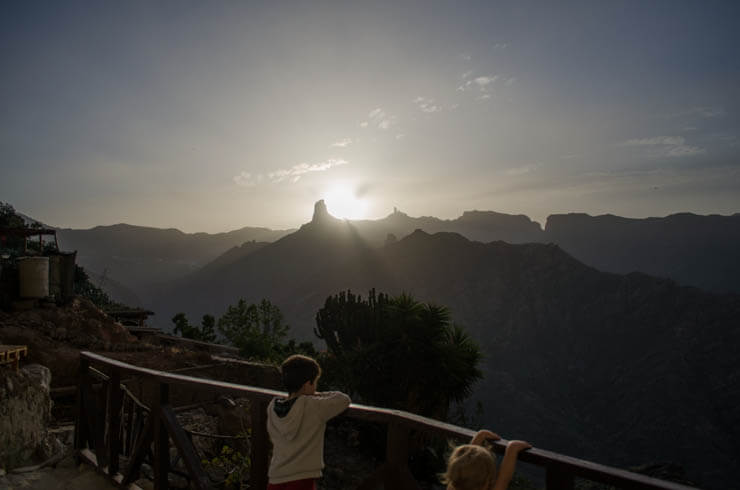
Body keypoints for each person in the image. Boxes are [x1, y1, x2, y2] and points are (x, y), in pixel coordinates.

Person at [266, 354, 351, 490]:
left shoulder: (273, 406)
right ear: (307, 384)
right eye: (315, 383)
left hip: (276, 478)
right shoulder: (313, 406)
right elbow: (343, 399)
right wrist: (316, 395)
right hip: (301, 479)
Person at [441, 430, 532, 490]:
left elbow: (465, 464)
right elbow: (504, 477)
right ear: (485, 484)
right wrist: (512, 448)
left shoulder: (454, 486)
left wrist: (479, 436)